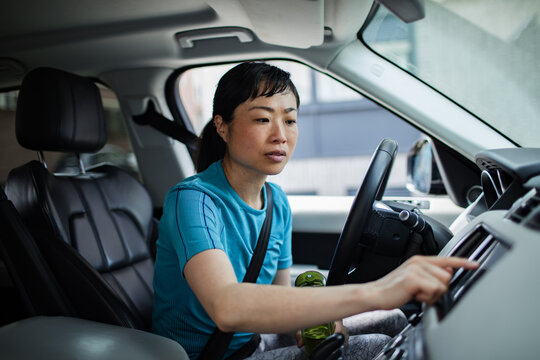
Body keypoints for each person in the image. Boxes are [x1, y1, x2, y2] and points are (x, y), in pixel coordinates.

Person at [152, 62, 478, 359]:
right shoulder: (193, 200)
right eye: (263, 119)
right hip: (211, 357)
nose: (281, 135)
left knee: (394, 319)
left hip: (254, 341)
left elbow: (279, 295)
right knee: (377, 348)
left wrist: (315, 315)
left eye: (290, 120)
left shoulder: (276, 202)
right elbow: (227, 307)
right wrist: (379, 290)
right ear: (222, 127)